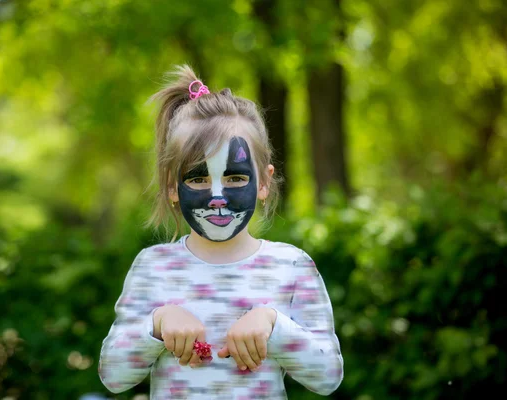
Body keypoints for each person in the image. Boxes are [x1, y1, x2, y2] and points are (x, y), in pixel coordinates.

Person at [98, 65, 343, 399]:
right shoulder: (152, 268)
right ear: (173, 186)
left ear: (264, 182)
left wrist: (273, 324)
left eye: (235, 178)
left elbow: (328, 376)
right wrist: (157, 323)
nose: (217, 197)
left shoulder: (292, 266)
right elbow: (113, 376)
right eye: (198, 179)